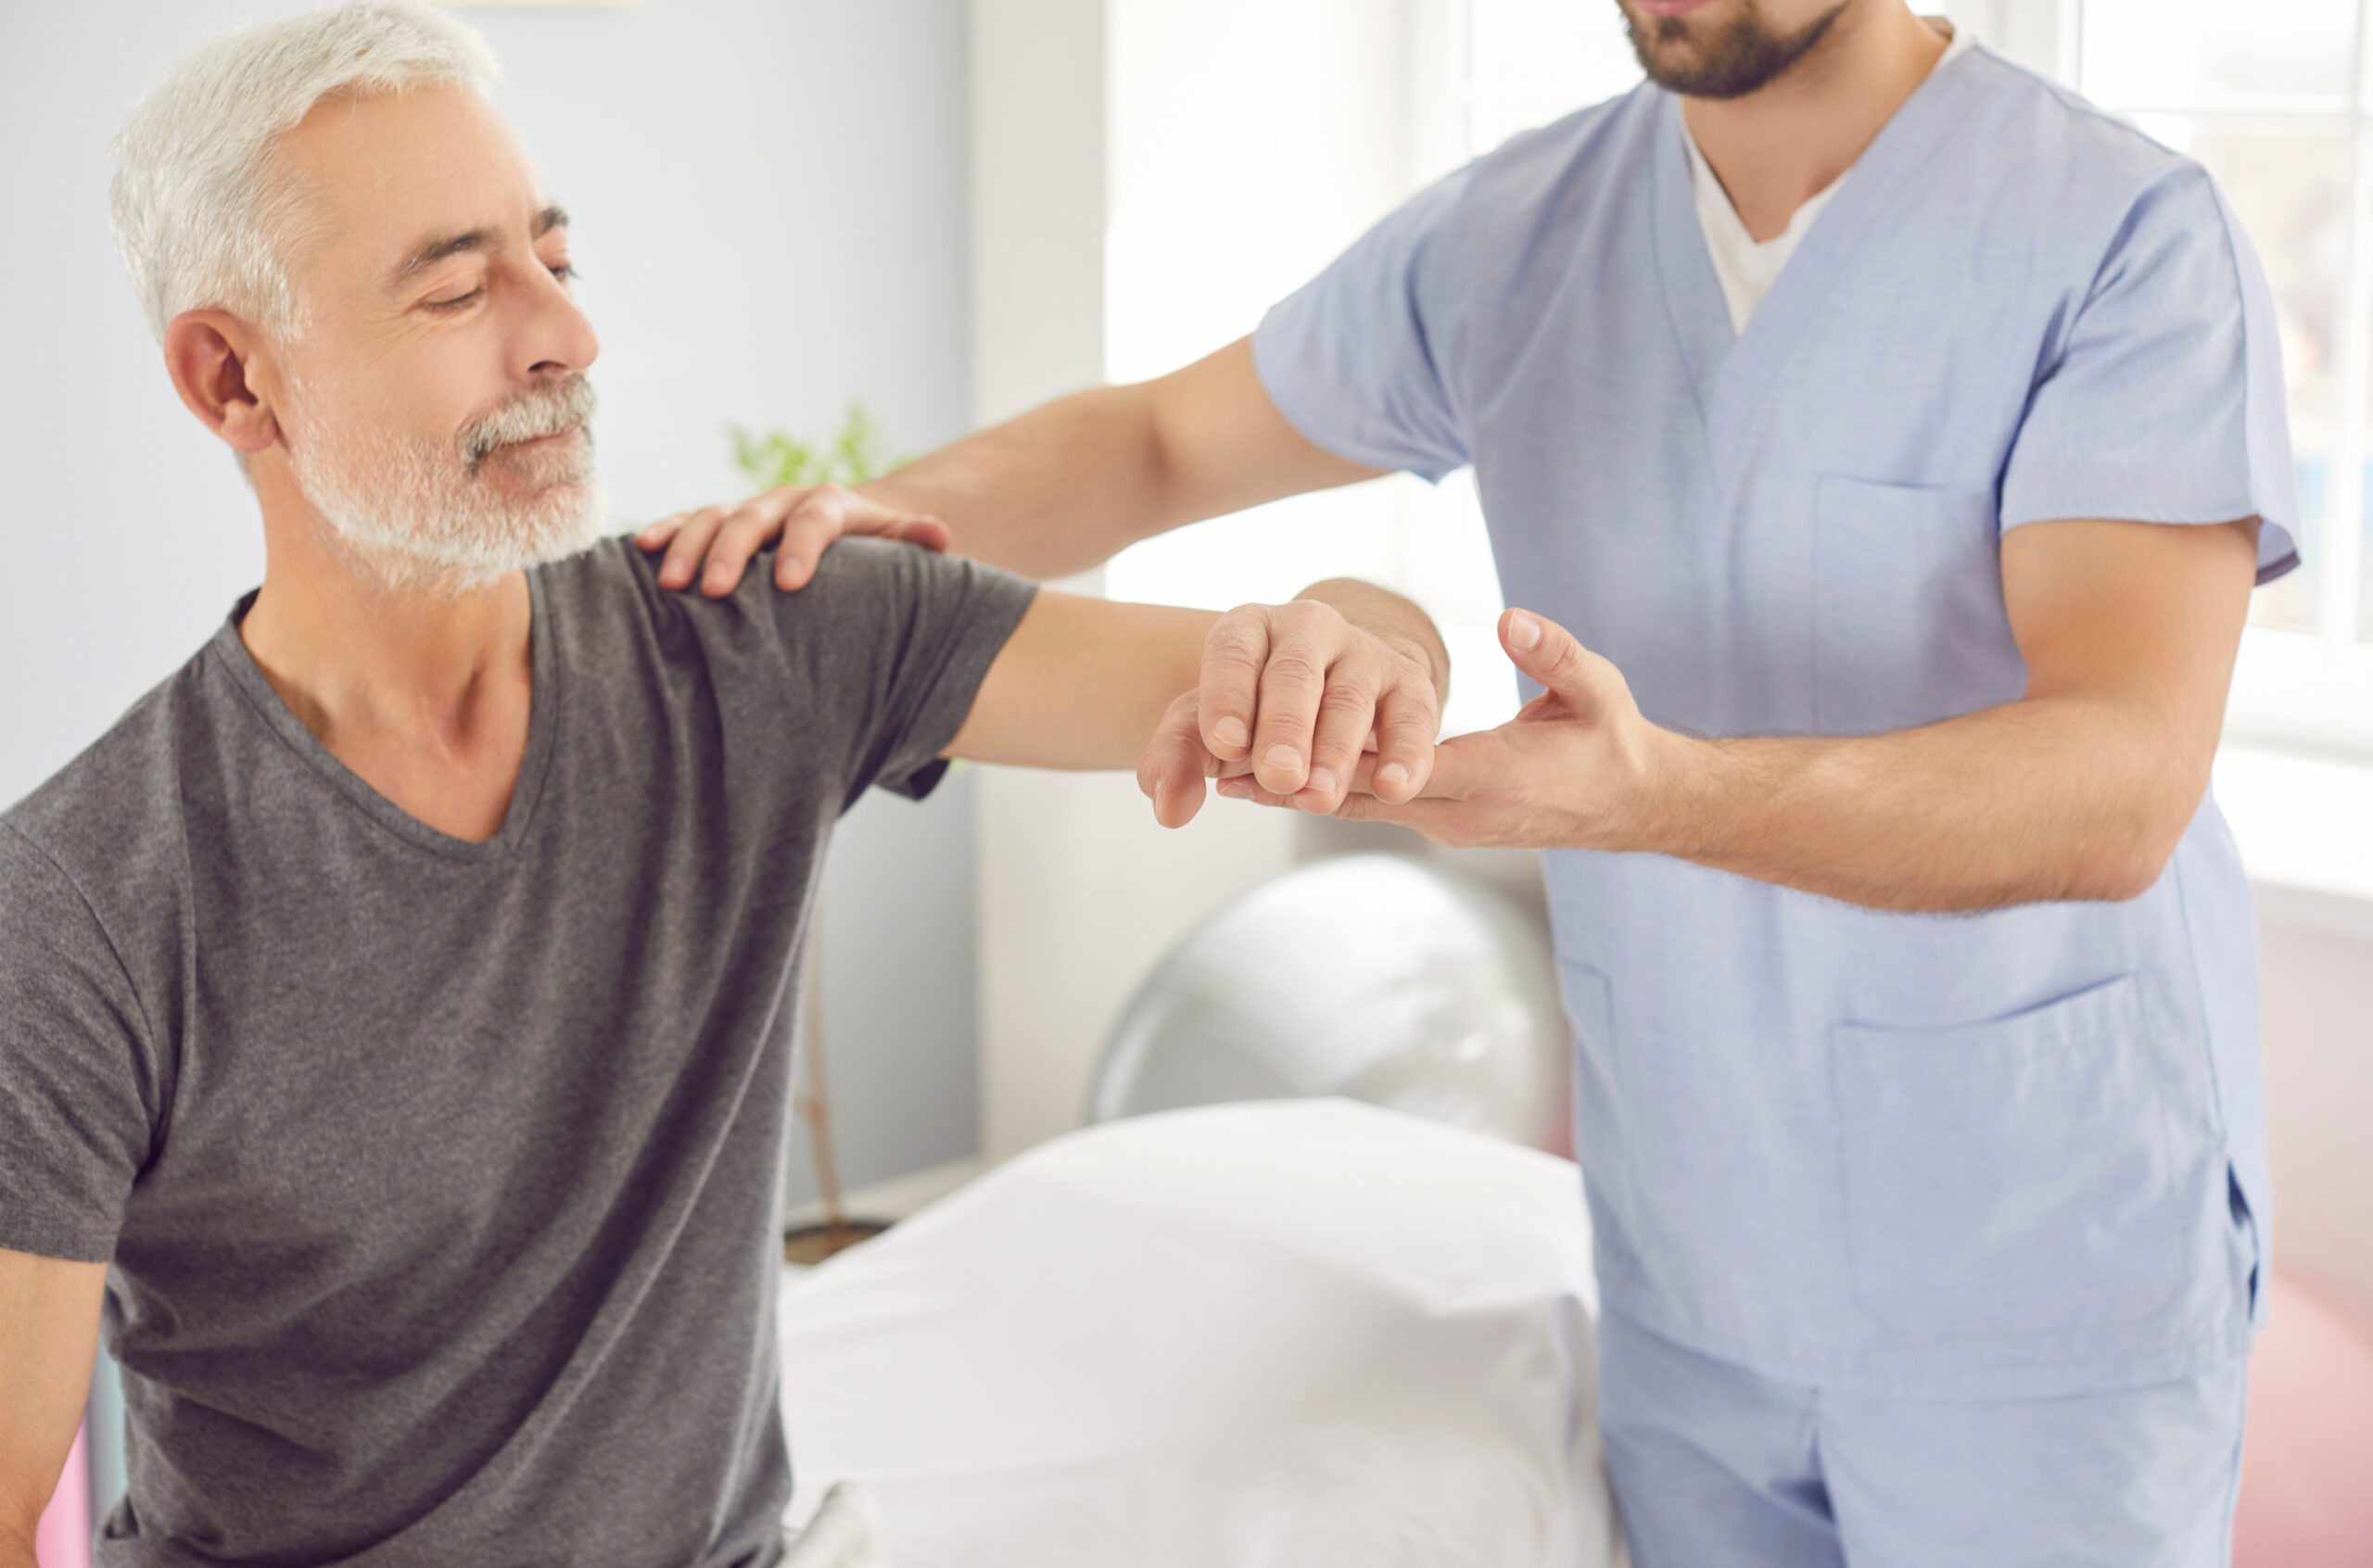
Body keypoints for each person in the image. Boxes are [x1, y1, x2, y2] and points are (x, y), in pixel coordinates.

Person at [647, 1, 2298, 1562]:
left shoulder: (2114, 237)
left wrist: (1654, 797)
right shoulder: (1523, 235)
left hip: (2041, 1270)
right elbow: (1158, 442)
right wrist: (876, 521)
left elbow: (2119, 781)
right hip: (1696, 1282)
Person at [0, 6, 1448, 1565]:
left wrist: (1369, 649)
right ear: (234, 381)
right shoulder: (80, 906)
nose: (563, 334)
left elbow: (1306, 650)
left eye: (554, 256)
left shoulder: (758, 640)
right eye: (457, 286)